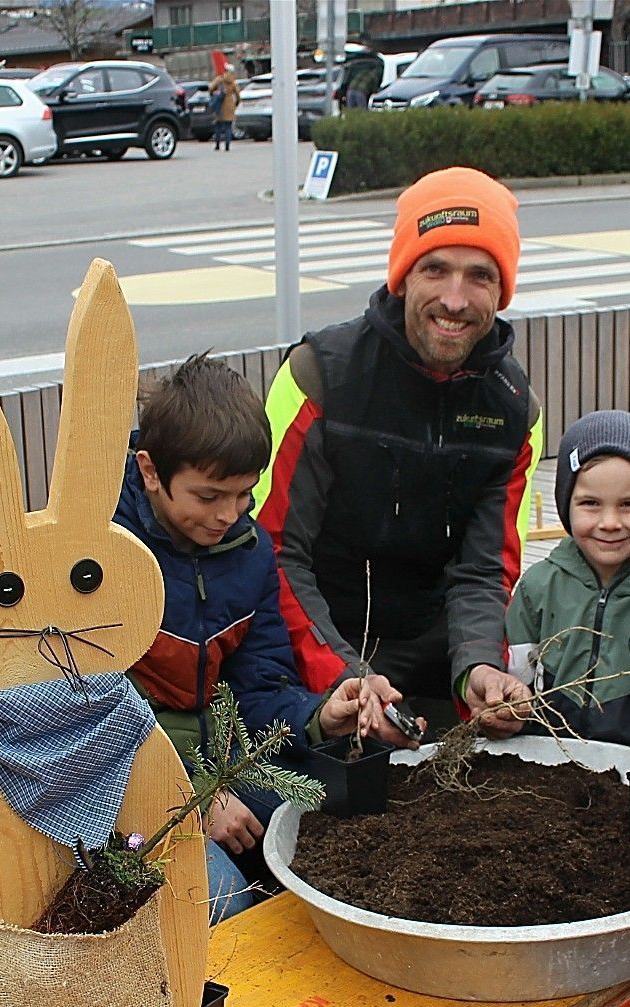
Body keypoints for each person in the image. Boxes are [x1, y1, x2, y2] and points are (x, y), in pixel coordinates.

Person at [119, 353, 416, 915]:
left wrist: (318, 714)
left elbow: (259, 685)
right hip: (125, 796)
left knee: (348, 837)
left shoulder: (250, 557)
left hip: (227, 767)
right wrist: (191, 797)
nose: (229, 516)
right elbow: (89, 714)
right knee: (221, 901)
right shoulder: (101, 557)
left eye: (245, 495)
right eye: (209, 497)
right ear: (151, 471)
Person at [254, 166, 544, 737]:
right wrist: (347, 676)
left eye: (480, 276)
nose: (454, 299)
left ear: (502, 290)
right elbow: (273, 554)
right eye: (435, 268)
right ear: (403, 275)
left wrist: (479, 666)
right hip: (314, 644)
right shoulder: (316, 377)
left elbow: (486, 571)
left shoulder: (517, 411)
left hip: (439, 656)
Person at [505, 410, 630, 744]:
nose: (609, 522)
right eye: (590, 503)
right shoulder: (537, 588)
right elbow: (518, 682)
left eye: (629, 504)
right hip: (552, 766)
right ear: (567, 506)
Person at [209, 66, 239, 150]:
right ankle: (227, 146)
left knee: (218, 125)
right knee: (228, 126)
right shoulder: (233, 81)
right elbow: (237, 94)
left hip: (219, 104)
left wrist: (213, 95)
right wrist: (236, 103)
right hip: (229, 104)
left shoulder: (219, 79)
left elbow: (211, 88)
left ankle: (217, 145)